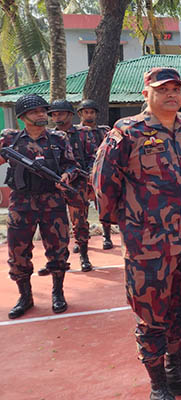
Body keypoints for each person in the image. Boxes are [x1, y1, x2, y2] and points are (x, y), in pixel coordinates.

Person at [92, 67, 181, 399]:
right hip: (148, 247)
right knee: (151, 316)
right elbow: (103, 185)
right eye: (163, 89)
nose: (172, 94)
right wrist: (129, 225)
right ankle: (158, 383)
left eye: (176, 89)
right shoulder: (126, 132)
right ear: (146, 93)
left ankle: (177, 372)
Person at [1, 94, 78, 319]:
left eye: (44, 111)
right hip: (20, 202)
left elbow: (72, 165)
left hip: (52, 202)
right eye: (36, 112)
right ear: (23, 117)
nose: (42, 114)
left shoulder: (58, 138)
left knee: (58, 248)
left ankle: (58, 292)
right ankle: (25, 297)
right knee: (18, 250)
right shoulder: (10, 139)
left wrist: (67, 176)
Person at [48, 99, 98, 273]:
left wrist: (91, 172)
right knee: (57, 224)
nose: (56, 117)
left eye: (60, 113)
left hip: (78, 184)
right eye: (53, 114)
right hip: (56, 185)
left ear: (70, 115)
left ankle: (84, 255)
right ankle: (60, 259)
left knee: (80, 222)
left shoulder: (83, 132)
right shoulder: (49, 135)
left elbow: (93, 155)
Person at [77, 99, 115, 249]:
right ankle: (81, 240)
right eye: (86, 112)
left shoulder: (104, 131)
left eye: (92, 112)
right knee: (80, 211)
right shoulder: (75, 132)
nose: (89, 115)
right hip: (81, 175)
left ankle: (107, 236)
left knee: (103, 206)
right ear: (80, 114)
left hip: (100, 175)